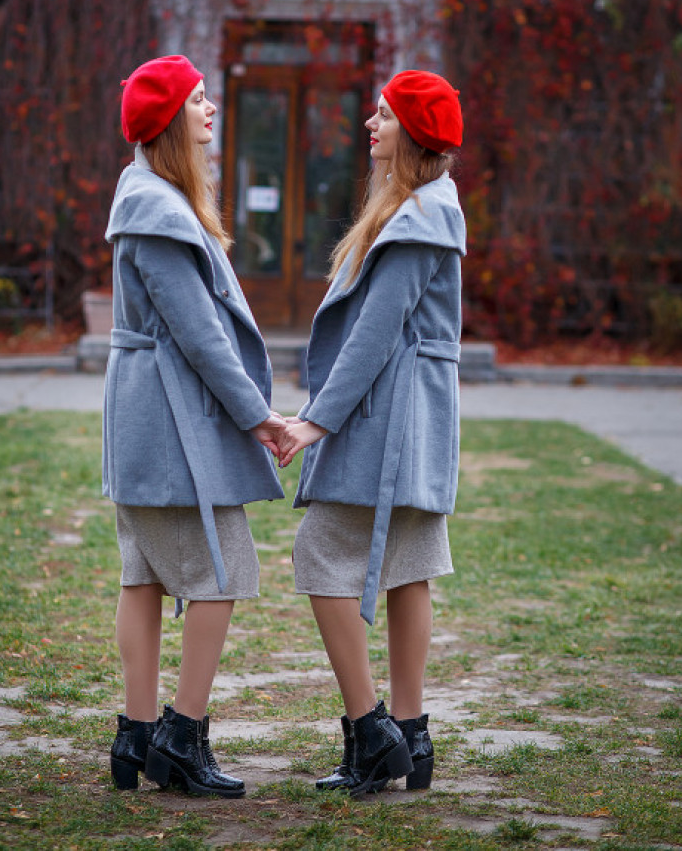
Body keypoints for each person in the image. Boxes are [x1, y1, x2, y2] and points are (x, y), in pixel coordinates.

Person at [103, 54, 288, 797]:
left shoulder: (148, 196)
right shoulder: (157, 209)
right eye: (200, 99)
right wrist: (258, 416)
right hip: (166, 428)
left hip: (146, 422)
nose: (211, 109)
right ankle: (180, 738)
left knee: (144, 575)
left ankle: (136, 736)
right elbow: (200, 336)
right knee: (223, 571)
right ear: (170, 118)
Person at [278, 69, 466, 797]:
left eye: (384, 115)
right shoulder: (424, 207)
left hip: (389, 419)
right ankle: (410, 739)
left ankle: (372, 730)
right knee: (408, 565)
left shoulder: (418, 218)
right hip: (415, 417)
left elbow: (376, 335)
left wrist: (315, 420)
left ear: (411, 134)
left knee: (321, 552)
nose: (370, 123)